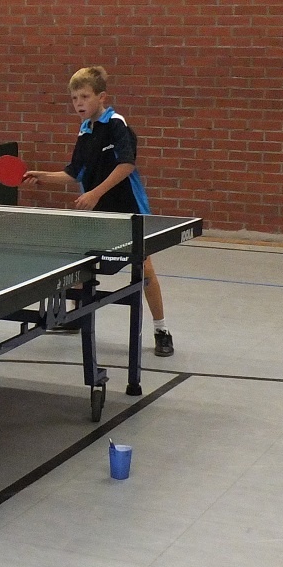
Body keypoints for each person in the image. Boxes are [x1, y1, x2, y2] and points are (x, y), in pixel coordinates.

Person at [23, 65, 174, 357]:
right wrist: (43, 176)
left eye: (85, 96)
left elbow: (126, 164)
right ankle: (77, 315)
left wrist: (95, 193)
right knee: (82, 265)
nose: (79, 103)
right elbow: (75, 173)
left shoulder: (116, 124)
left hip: (128, 209)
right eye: (74, 98)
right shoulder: (85, 130)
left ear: (101, 97)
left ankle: (161, 330)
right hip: (96, 211)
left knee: (144, 269)